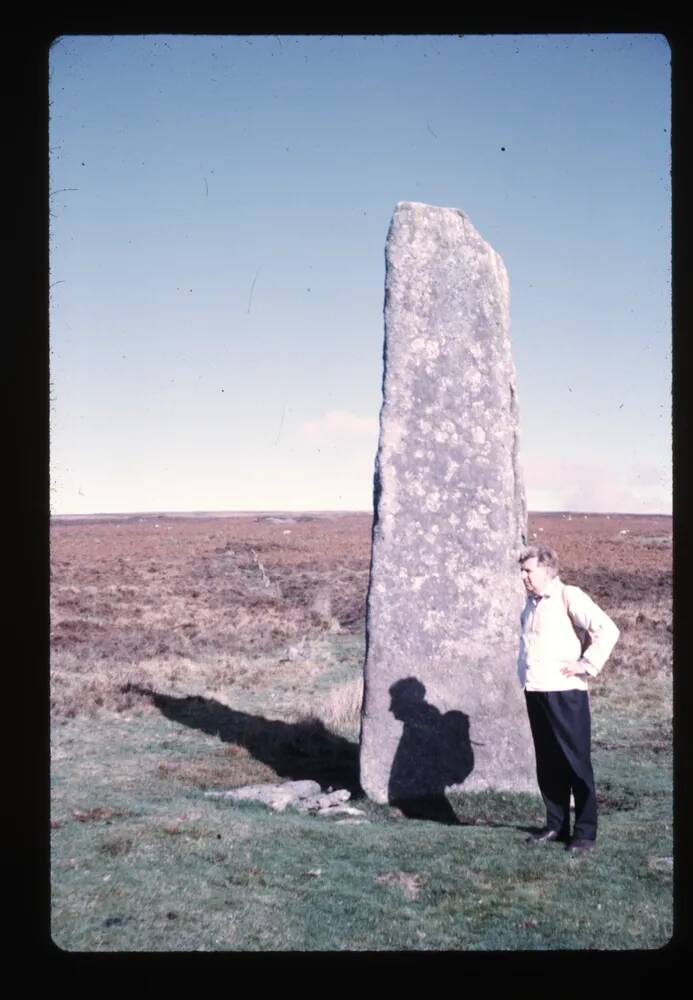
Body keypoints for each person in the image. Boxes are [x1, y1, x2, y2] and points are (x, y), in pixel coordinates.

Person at [518, 545, 620, 854]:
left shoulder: (568, 596)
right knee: (548, 763)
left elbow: (607, 629)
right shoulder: (530, 604)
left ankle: (585, 833)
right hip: (536, 691)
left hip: (566, 693)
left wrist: (586, 665)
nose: (523, 576)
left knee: (576, 762)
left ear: (547, 571)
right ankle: (556, 825)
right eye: (521, 571)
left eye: (528, 571)